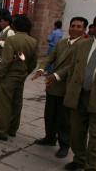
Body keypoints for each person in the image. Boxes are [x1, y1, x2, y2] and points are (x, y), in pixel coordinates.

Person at [32, 16, 88, 157]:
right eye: (73, 25)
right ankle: (49, 137)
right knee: (49, 114)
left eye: (78, 27)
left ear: (84, 29)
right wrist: (41, 69)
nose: (75, 29)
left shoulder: (84, 45)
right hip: (53, 86)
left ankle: (64, 145)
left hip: (68, 87)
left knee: (64, 119)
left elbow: (74, 65)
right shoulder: (62, 42)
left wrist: (57, 75)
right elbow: (50, 57)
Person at [63, 12, 96, 171]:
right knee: (77, 132)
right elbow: (73, 68)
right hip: (79, 96)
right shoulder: (83, 45)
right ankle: (79, 159)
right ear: (94, 27)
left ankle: (93, 170)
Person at [0, 15, 38, 141]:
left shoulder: (12, 40)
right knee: (17, 103)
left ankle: (1, 131)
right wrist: (25, 73)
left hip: (9, 76)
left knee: (5, 104)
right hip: (21, 76)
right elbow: (33, 63)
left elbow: (5, 61)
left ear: (15, 26)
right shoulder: (33, 41)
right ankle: (13, 129)